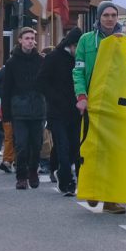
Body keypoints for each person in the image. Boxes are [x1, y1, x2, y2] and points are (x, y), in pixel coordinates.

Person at [73, 1, 126, 214]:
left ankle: (111, 199)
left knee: (113, 151)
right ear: (99, 17)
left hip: (117, 103)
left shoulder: (125, 41)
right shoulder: (86, 41)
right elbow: (78, 70)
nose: (110, 19)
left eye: (114, 15)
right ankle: (93, 191)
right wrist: (81, 96)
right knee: (93, 150)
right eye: (106, 15)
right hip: (93, 102)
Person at [39, 27, 82, 196]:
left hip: (75, 112)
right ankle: (67, 183)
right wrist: (54, 98)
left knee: (75, 149)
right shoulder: (53, 58)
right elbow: (41, 81)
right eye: (78, 46)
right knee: (63, 147)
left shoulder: (80, 59)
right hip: (57, 112)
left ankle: (64, 173)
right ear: (71, 45)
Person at [1, 27, 45, 190]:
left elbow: (47, 84)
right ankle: (21, 176)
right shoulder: (12, 62)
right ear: (20, 40)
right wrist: (6, 114)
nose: (30, 41)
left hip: (38, 109)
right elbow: (6, 89)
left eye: (32, 38)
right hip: (19, 110)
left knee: (36, 144)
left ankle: (33, 170)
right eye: (27, 38)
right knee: (21, 145)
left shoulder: (41, 60)